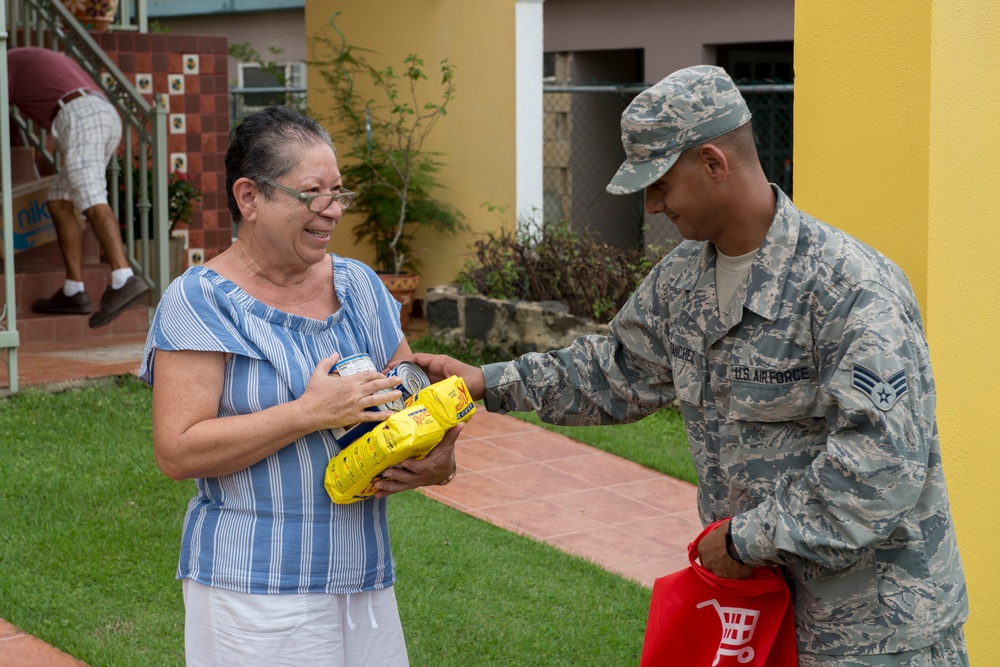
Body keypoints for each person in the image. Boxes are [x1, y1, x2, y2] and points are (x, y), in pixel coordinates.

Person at [409, 65, 969, 665]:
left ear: (712, 162)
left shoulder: (849, 287)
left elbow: (879, 467)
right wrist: (486, 382)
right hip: (753, 617)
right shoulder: (682, 280)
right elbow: (613, 372)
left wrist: (744, 540)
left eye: (659, 183)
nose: (652, 205)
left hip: (874, 633)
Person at [138, 105, 459, 666]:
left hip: (362, 577)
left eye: (339, 192)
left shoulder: (359, 285)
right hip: (252, 588)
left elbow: (411, 403)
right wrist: (308, 413)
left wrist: (440, 455)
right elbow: (177, 449)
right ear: (250, 197)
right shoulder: (200, 301)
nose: (332, 211)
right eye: (313, 193)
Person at [6, 46, 151, 328]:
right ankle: (74, 290)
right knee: (59, 201)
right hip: (101, 114)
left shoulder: (6, 62)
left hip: (79, 116)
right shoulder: (35, 55)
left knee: (91, 195)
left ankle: (124, 278)